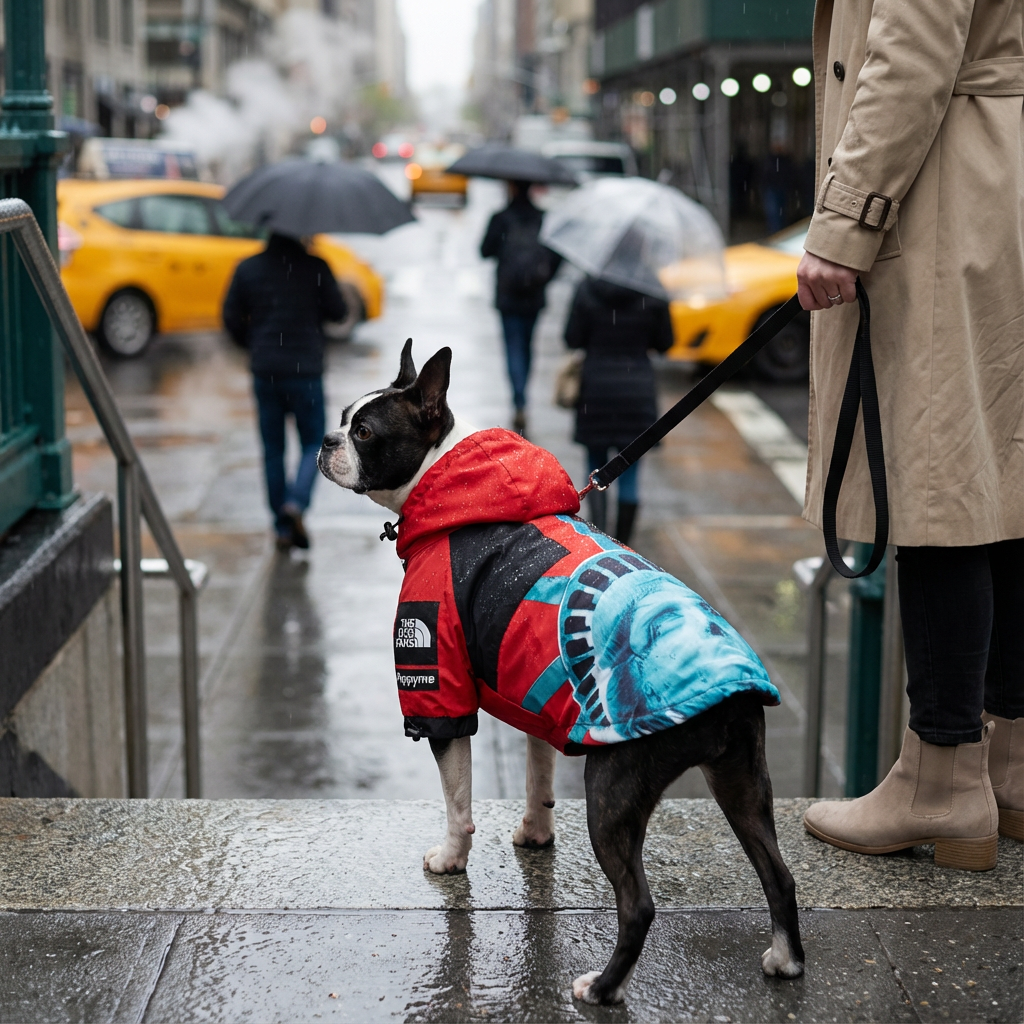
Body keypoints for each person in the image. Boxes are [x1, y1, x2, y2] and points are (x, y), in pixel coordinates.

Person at [796, 0, 1023, 867]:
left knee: (935, 482)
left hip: (944, 191)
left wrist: (846, 219)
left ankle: (942, 777)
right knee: (999, 477)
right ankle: (1010, 762)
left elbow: (913, 49)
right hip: (995, 175)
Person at [223, 232, 347, 552]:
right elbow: (339, 312)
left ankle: (281, 526)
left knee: (273, 450)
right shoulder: (315, 267)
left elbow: (230, 318)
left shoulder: (248, 268)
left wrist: (254, 343)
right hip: (306, 371)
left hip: (266, 371)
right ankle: (296, 502)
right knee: (314, 443)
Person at [564, 276, 674, 545]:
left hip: (596, 390)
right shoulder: (651, 289)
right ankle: (623, 544)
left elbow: (572, 337)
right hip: (635, 392)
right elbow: (666, 341)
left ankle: (599, 540)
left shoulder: (588, 287)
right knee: (629, 473)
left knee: (596, 471)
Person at [480, 180, 561, 435]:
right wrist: (543, 277)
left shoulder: (501, 218)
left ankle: (519, 399)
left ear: (512, 188)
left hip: (508, 295)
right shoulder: (543, 218)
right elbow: (557, 255)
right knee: (527, 346)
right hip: (534, 294)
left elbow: (484, 250)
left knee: (513, 347)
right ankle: (523, 394)